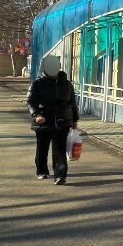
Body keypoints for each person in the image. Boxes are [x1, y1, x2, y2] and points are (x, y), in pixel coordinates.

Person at [28, 56, 79, 185]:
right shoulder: (38, 83)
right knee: (42, 147)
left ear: (59, 67)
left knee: (60, 148)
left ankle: (60, 175)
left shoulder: (67, 84)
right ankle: (42, 170)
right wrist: (36, 115)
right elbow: (31, 101)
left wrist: (75, 119)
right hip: (43, 119)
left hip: (63, 120)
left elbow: (72, 102)